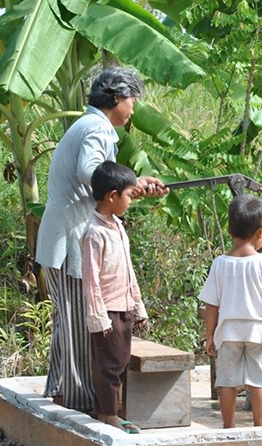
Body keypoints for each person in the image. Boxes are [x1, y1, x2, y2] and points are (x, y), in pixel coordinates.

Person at [35, 66, 168, 412]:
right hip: (71, 238)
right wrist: (125, 185)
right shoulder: (98, 126)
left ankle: (64, 394)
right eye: (132, 100)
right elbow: (87, 171)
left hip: (62, 236)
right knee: (81, 327)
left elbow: (99, 179)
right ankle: (79, 405)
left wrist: (131, 184)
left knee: (68, 325)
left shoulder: (87, 123)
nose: (134, 108)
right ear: (115, 99)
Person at [198, 195, 262, 428]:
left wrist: (209, 335)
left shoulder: (220, 263)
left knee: (227, 383)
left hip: (228, 332)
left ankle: (228, 427)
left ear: (230, 230)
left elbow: (212, 305)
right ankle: (259, 428)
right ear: (261, 232)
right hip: (258, 332)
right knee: (257, 383)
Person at [82, 161, 148, 433]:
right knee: (108, 366)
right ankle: (108, 414)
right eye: (129, 195)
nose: (131, 201)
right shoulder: (94, 233)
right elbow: (91, 280)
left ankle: (109, 413)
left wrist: (137, 304)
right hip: (106, 311)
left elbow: (128, 270)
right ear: (112, 196)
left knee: (119, 363)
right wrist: (99, 318)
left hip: (124, 306)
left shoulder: (118, 227)